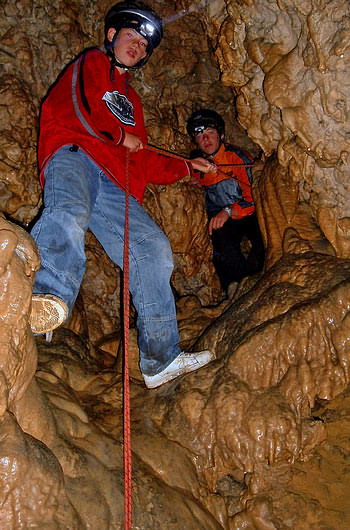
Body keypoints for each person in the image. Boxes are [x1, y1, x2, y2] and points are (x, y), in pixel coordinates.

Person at [29, 1, 216, 389]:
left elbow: (145, 159)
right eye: (132, 37)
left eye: (145, 46)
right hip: (75, 154)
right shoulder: (93, 62)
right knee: (70, 210)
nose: (139, 47)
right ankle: (45, 295)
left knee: (153, 251)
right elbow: (81, 106)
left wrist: (189, 167)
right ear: (113, 35)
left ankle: (160, 358)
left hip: (115, 184)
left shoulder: (133, 104)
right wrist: (116, 136)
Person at [186, 109, 265, 293]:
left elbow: (254, 198)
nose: (205, 139)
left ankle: (260, 278)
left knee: (264, 239)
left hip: (249, 212)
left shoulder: (238, 158)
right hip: (225, 218)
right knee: (219, 241)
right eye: (200, 135)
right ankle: (236, 289)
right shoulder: (197, 166)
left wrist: (229, 211)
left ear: (221, 135)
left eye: (210, 133)